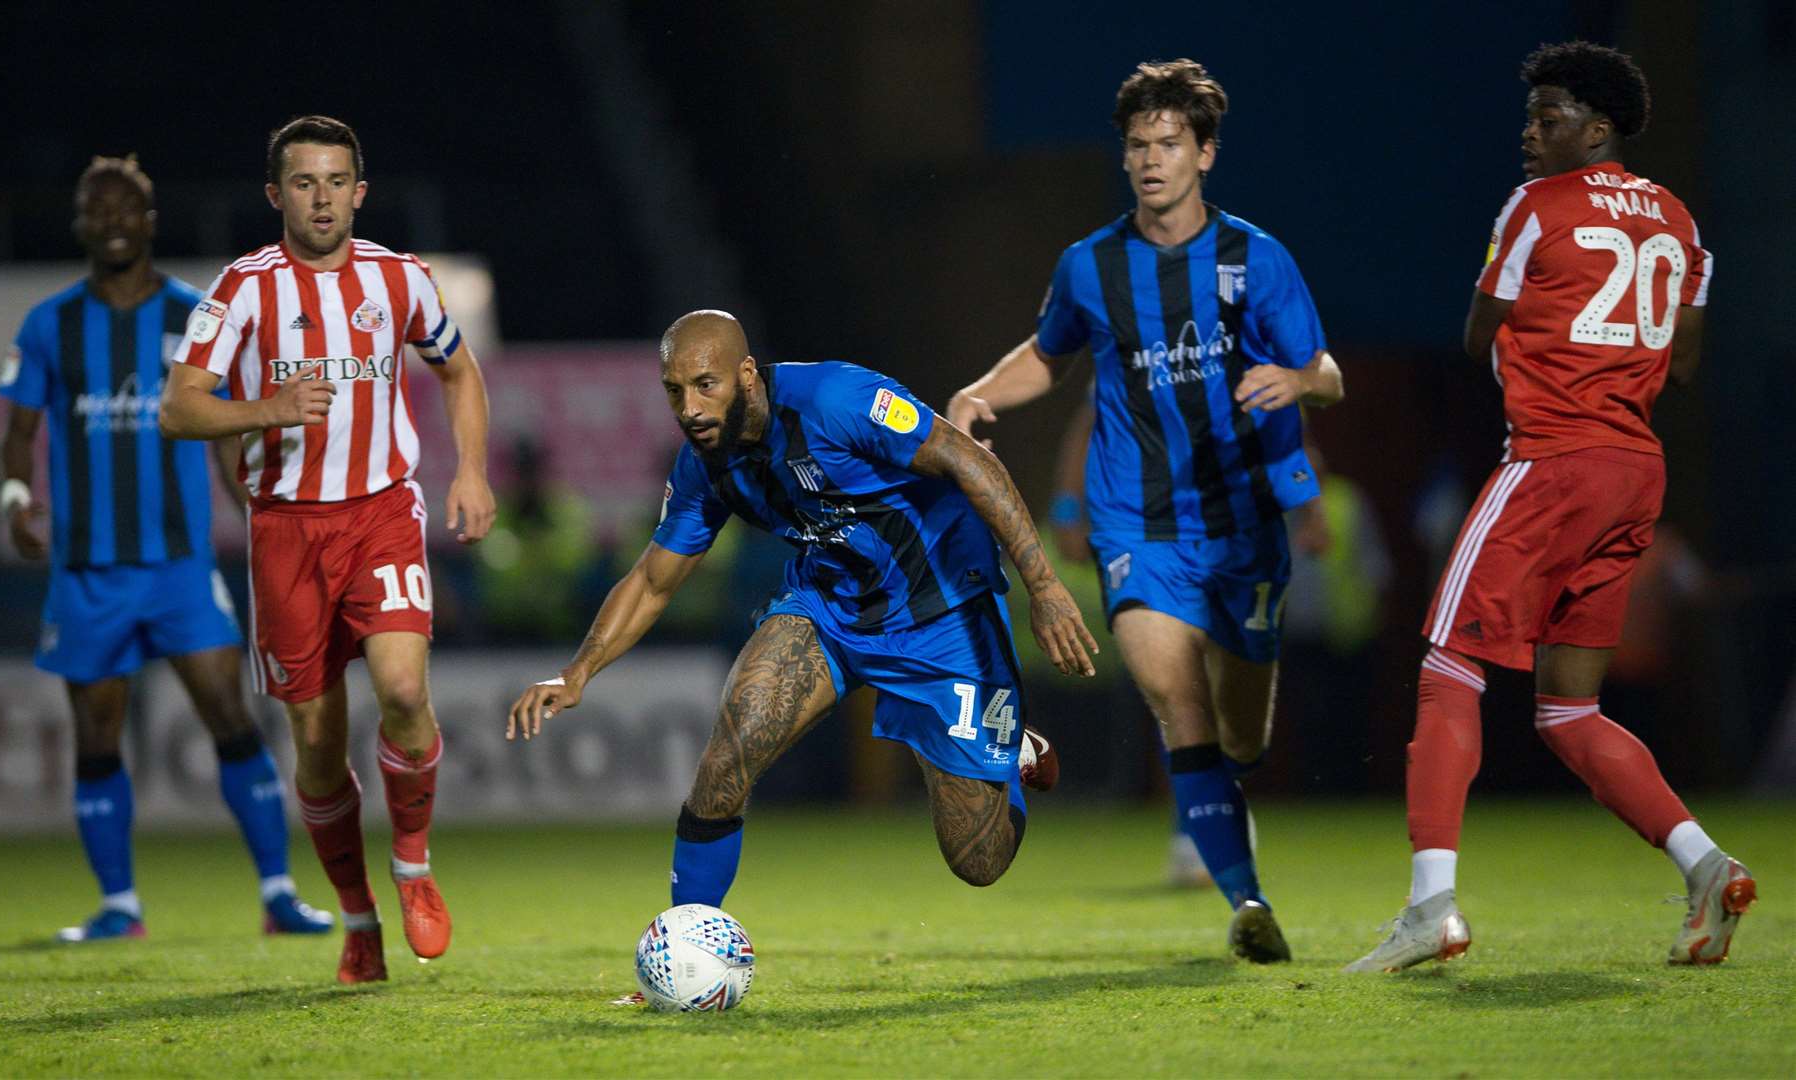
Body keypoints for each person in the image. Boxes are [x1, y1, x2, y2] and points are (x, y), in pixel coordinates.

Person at [508, 311, 1096, 985]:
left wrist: (1043, 585)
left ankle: (1012, 749)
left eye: (705, 385)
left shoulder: (836, 400)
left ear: (747, 375)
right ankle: (682, 955)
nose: (689, 409)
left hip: (942, 613)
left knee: (978, 860)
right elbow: (651, 579)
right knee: (730, 751)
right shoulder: (705, 464)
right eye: (674, 390)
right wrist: (578, 671)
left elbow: (971, 460)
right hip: (829, 608)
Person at [1347, 42, 1752, 972]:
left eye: (1552, 116)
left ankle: (1430, 909)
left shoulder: (1537, 206)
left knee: (1450, 665)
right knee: (1569, 710)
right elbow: (1683, 361)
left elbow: (1476, 328)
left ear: (1599, 128)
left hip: (1553, 459)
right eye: (1531, 117)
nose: (1531, 134)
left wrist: (1537, 342)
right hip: (1634, 470)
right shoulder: (1682, 222)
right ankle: (1705, 866)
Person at [947, 60, 1344, 962]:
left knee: (1244, 730)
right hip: (1137, 525)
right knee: (1178, 700)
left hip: (1243, 527)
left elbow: (1327, 373)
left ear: (1205, 152)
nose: (1151, 159)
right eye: (1137, 145)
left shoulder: (1258, 258)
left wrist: (1299, 382)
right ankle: (1247, 903)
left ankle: (1221, 815)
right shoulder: (1089, 267)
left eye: (1169, 143)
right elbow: (1050, 359)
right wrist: (980, 393)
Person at [159, 117, 496, 984]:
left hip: (382, 512)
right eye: (304, 183)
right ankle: (358, 919)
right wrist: (265, 411)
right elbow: (179, 408)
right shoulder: (241, 291)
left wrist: (472, 473)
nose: (322, 198)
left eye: (336, 181)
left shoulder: (399, 278)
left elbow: (458, 370)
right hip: (286, 533)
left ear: (360, 191)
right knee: (315, 742)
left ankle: (413, 870)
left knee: (404, 689)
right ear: (277, 195)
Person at [0, 155, 331, 942]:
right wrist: (18, 498)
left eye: (126, 209)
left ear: (150, 221)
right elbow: (18, 433)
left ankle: (279, 894)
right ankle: (120, 906)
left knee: (230, 717)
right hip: (88, 571)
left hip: (180, 567)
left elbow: (223, 431)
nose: (111, 221)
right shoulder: (50, 324)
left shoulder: (196, 314)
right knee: (97, 736)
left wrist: (262, 509)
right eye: (96, 209)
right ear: (81, 224)